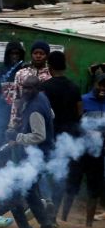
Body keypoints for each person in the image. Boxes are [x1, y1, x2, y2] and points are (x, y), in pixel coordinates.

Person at [6, 75, 59, 228]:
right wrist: (24, 122)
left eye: (30, 88)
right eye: (25, 87)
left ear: (37, 88)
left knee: (13, 192)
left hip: (34, 158)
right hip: (40, 157)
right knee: (30, 193)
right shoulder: (42, 98)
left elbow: (39, 135)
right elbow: (51, 114)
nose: (27, 91)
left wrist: (18, 135)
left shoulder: (35, 107)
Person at [39, 51, 83, 219]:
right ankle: (53, 215)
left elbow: (41, 112)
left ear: (49, 67)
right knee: (60, 175)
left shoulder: (45, 87)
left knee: (40, 171)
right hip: (68, 139)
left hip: (49, 137)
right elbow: (80, 111)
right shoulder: (74, 87)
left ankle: (46, 201)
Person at [60, 74, 105, 226]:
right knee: (72, 186)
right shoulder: (83, 100)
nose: (103, 88)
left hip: (98, 154)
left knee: (94, 189)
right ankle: (63, 219)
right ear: (95, 84)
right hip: (79, 151)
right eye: (100, 84)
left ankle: (89, 224)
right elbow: (74, 122)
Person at [7, 40, 52, 133]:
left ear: (47, 56)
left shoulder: (50, 75)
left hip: (42, 119)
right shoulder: (21, 74)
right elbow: (16, 99)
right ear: (31, 54)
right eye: (35, 53)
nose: (38, 56)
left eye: (42, 53)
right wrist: (12, 125)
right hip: (23, 120)